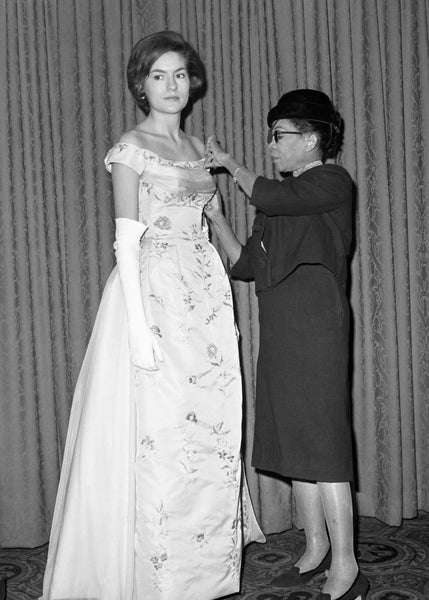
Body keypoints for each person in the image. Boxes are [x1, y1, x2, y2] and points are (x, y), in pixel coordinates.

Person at [40, 30, 264, 600]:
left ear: (193, 84)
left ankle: (203, 573)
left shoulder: (197, 151)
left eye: (181, 75)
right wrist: (139, 332)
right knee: (163, 437)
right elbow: (127, 242)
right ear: (141, 84)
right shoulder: (131, 147)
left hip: (207, 301)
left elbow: (212, 221)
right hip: (154, 296)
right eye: (159, 75)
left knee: (210, 430)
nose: (171, 86)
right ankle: (160, 577)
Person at [204, 89, 369, 600]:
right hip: (281, 329)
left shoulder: (331, 181)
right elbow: (245, 265)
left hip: (316, 327)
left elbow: (271, 196)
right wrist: (216, 216)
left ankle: (349, 566)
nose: (272, 146)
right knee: (298, 443)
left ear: (312, 139)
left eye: (280, 136)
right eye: (271, 136)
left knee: (323, 445)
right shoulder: (280, 199)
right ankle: (315, 549)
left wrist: (229, 163)